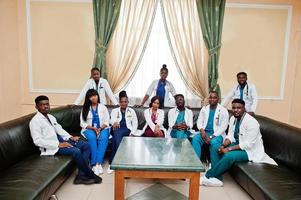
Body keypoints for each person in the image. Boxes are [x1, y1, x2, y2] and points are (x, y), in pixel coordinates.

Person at [201, 99, 277, 187]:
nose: (236, 110)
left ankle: (208, 175)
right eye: (233, 108)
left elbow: (248, 144)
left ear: (244, 108)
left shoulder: (252, 122)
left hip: (250, 151)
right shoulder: (233, 118)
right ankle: (218, 178)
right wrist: (222, 145)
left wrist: (228, 149)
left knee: (229, 156)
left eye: (239, 108)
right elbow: (230, 136)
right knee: (215, 147)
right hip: (237, 144)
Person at [29, 95, 102, 185]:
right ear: (37, 107)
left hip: (60, 140)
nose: (46, 106)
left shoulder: (50, 117)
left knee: (86, 145)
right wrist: (58, 145)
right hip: (51, 147)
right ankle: (90, 174)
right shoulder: (35, 121)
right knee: (76, 151)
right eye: (42, 105)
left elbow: (59, 129)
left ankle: (80, 176)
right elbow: (37, 141)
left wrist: (70, 137)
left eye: (47, 104)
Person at [191, 91, 229, 165]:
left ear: (218, 99)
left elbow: (224, 127)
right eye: (210, 98)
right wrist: (202, 131)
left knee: (214, 143)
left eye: (214, 98)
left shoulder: (223, 110)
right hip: (204, 133)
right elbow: (199, 122)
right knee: (195, 139)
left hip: (217, 135)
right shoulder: (204, 108)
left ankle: (214, 167)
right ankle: (196, 164)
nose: (212, 99)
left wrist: (211, 136)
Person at [80, 89, 110, 175]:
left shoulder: (103, 107)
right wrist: (93, 128)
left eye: (95, 95)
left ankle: (98, 164)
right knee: (92, 138)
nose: (94, 97)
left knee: (104, 138)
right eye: (91, 96)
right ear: (88, 98)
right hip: (89, 129)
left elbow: (107, 121)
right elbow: (82, 123)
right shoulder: (85, 108)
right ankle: (93, 164)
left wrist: (100, 128)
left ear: (98, 96)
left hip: (102, 128)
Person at [108, 90, 138, 174]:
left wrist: (132, 133)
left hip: (126, 129)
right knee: (116, 133)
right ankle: (121, 162)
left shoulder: (131, 111)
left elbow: (135, 123)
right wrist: (114, 122)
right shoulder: (115, 110)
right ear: (119, 102)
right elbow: (111, 120)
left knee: (115, 137)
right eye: (122, 102)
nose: (124, 103)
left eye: (125, 102)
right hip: (116, 128)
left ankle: (112, 163)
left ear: (128, 102)